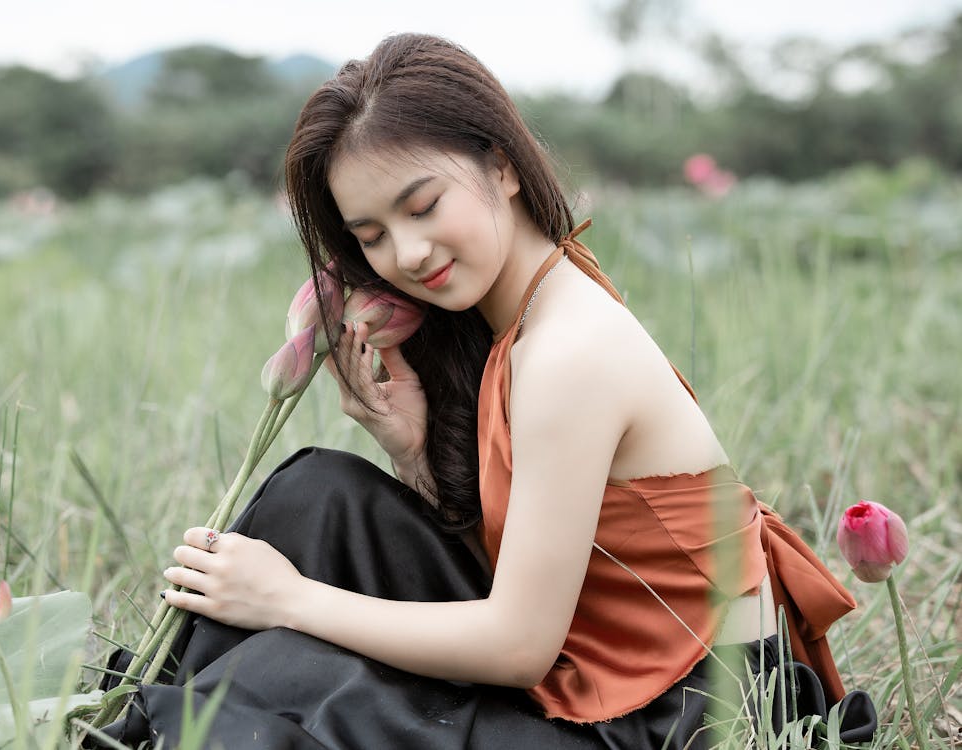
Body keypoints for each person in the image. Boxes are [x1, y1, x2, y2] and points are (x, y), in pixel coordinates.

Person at [97, 33, 877, 749]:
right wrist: (413, 453)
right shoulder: (529, 312)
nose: (405, 252)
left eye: (423, 205)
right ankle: (154, 713)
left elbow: (518, 644)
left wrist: (288, 599)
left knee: (282, 672)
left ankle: (156, 722)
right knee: (318, 492)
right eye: (370, 236)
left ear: (501, 165)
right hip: (606, 662)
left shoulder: (570, 352)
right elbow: (555, 572)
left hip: (689, 716)